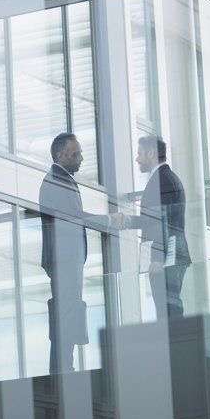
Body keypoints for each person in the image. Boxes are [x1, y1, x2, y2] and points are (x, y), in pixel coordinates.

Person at [39, 132, 112, 373]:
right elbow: (74, 218)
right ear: (60, 154)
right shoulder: (56, 181)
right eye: (76, 153)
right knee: (66, 317)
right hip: (64, 261)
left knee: (68, 316)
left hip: (67, 260)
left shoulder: (62, 179)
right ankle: (62, 372)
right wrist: (109, 220)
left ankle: (64, 369)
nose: (81, 158)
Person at [115, 135, 191, 320]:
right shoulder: (164, 178)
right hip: (169, 253)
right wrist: (127, 221)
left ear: (151, 153)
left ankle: (175, 346)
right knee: (168, 307)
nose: (137, 159)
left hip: (167, 256)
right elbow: (153, 219)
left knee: (168, 309)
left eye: (140, 153)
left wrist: (158, 258)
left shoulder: (162, 180)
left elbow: (161, 221)